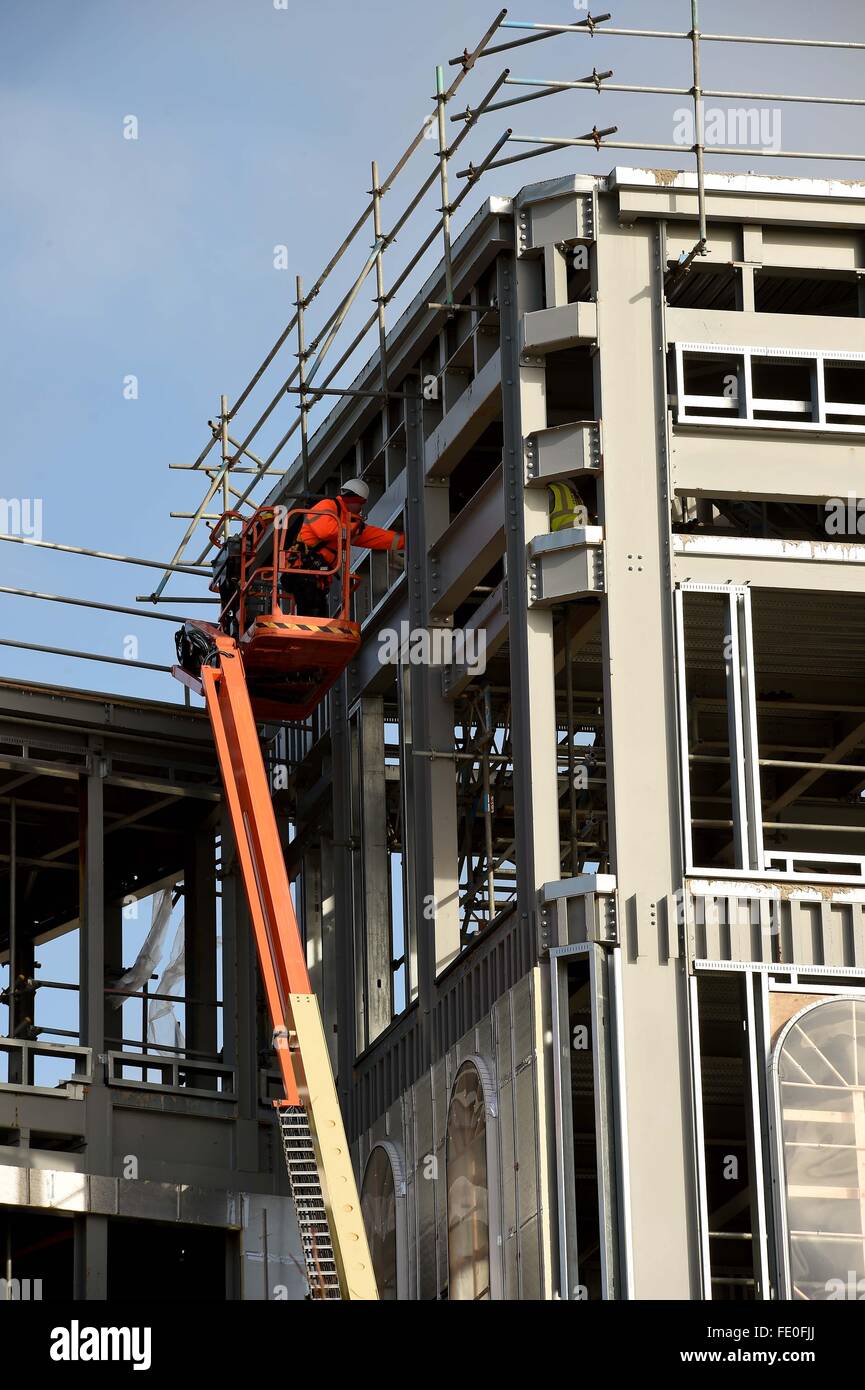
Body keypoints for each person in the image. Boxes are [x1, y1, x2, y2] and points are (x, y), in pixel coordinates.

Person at [281, 478, 405, 617]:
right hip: (302, 572)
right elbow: (326, 531)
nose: (361, 508)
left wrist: (403, 541)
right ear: (355, 500)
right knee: (311, 608)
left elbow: (375, 537)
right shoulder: (326, 506)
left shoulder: (347, 521)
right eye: (362, 503)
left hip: (317, 577)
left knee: (318, 611)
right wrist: (352, 527)